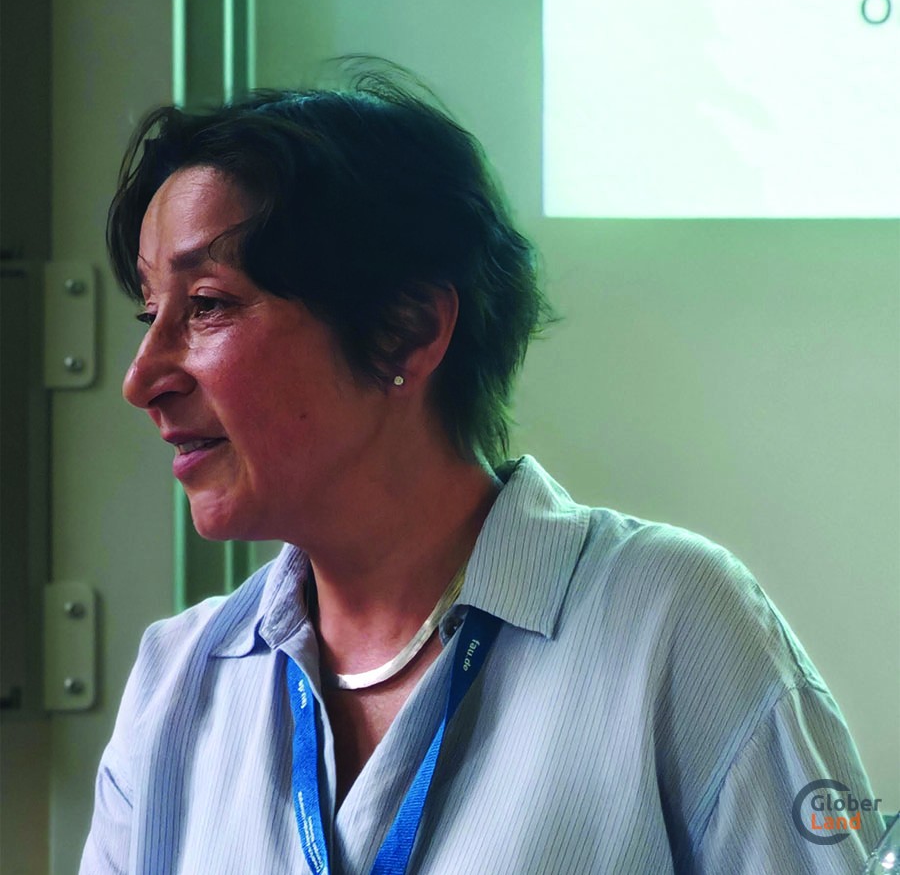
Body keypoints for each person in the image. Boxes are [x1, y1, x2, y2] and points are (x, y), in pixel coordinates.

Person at [81, 69, 883, 874]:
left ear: (405, 330)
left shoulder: (674, 625)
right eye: (151, 313)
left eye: (209, 304)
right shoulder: (175, 685)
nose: (142, 378)